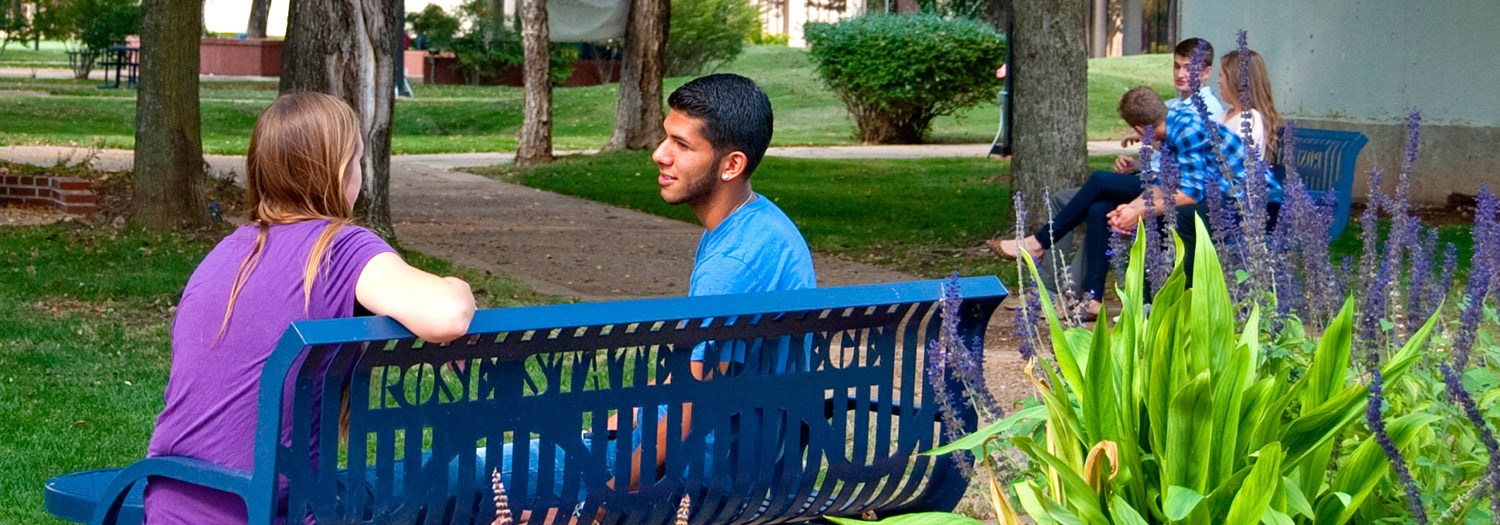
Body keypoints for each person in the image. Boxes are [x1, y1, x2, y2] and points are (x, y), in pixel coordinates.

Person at [143, 92, 477, 524]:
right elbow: (448, 315)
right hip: (277, 513)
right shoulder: (338, 247)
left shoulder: (226, 253)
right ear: (342, 171)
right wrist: (457, 284)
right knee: (498, 466)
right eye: (358, 158)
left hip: (171, 503)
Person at [625, 72, 817, 487]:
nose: (660, 154)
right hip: (755, 453)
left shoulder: (732, 263)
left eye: (682, 145)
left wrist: (600, 505)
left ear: (731, 165)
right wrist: (620, 420)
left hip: (701, 477)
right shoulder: (764, 226)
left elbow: (688, 412)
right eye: (666, 137)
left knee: (462, 471)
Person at [991, 85, 1280, 316]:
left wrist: (1138, 210)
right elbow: (1166, 184)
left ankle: (1170, 303)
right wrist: (1132, 208)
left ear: (1142, 129)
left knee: (1168, 214)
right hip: (1221, 195)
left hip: (1252, 201)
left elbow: (1190, 194)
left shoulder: (1186, 131)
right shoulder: (1172, 125)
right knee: (1100, 208)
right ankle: (1096, 298)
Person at [1218, 48, 1284, 162]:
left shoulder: (1249, 120)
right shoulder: (1225, 114)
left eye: (1221, 75)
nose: (1219, 81)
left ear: (1235, 78)